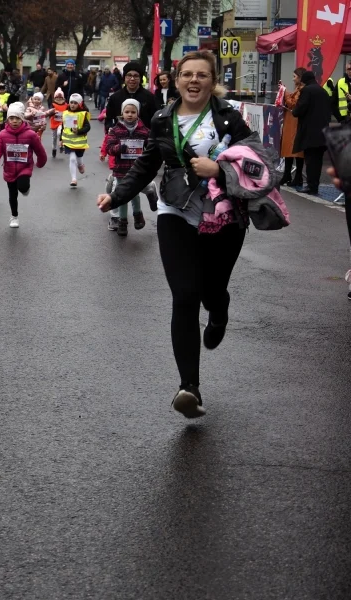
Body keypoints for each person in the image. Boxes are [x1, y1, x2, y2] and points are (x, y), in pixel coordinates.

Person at [96, 50, 254, 419]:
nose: (194, 81)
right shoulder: (163, 118)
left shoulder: (230, 117)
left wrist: (219, 169)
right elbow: (145, 165)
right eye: (187, 74)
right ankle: (189, 388)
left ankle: (219, 310)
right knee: (184, 295)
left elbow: (258, 162)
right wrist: (116, 195)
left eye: (202, 75)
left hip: (224, 214)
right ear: (176, 79)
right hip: (175, 209)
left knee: (212, 290)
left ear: (213, 81)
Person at [0, 102, 47, 228]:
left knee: (22, 186)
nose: (14, 121)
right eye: (11, 118)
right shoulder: (3, 134)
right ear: (7, 119)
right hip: (9, 169)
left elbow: (39, 150)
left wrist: (41, 161)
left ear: (22, 119)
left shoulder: (30, 134)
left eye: (17, 118)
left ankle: (25, 188)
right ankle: (14, 216)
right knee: (12, 194)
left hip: (24, 167)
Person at [103, 99, 150, 235]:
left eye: (133, 112)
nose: (130, 114)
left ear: (138, 113)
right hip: (121, 169)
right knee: (122, 195)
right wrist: (120, 148)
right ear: (122, 113)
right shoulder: (116, 130)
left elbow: (151, 145)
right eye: (127, 112)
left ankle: (137, 214)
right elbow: (110, 148)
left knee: (134, 193)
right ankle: (122, 221)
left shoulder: (144, 130)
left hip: (137, 169)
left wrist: (146, 155)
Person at [292, 70, 331, 196]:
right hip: (323, 131)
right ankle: (315, 185)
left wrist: (294, 111)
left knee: (310, 160)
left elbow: (299, 110)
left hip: (310, 132)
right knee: (318, 161)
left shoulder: (307, 91)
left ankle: (311, 186)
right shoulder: (323, 91)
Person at [105, 61, 156, 130]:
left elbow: (155, 120)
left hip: (144, 137)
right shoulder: (115, 97)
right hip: (120, 137)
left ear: (140, 78)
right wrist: (110, 128)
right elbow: (109, 119)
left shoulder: (149, 97)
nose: (132, 79)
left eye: (136, 76)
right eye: (129, 75)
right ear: (124, 77)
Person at [279, 68, 306, 188]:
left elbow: (292, 103)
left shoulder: (302, 90)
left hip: (294, 122)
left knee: (295, 150)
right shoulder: (299, 89)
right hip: (292, 122)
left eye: (294, 76)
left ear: (300, 78)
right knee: (289, 150)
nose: (293, 79)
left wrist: (284, 92)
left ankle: (295, 176)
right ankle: (290, 175)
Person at [61, 93, 90, 187]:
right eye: (71, 102)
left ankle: (81, 165)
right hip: (68, 142)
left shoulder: (83, 114)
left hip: (80, 142)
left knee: (79, 158)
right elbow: (63, 126)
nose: (73, 105)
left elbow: (87, 127)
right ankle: (74, 179)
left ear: (80, 104)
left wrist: (79, 131)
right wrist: (61, 139)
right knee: (72, 159)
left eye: (75, 103)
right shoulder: (66, 113)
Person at [48, 88, 68, 159]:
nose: (59, 99)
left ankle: (61, 144)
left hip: (62, 122)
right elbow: (49, 113)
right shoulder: (53, 104)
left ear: (63, 97)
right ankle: (54, 149)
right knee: (54, 138)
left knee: (60, 133)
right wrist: (53, 112)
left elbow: (70, 112)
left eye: (60, 97)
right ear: (55, 98)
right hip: (54, 122)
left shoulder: (66, 105)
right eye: (57, 97)